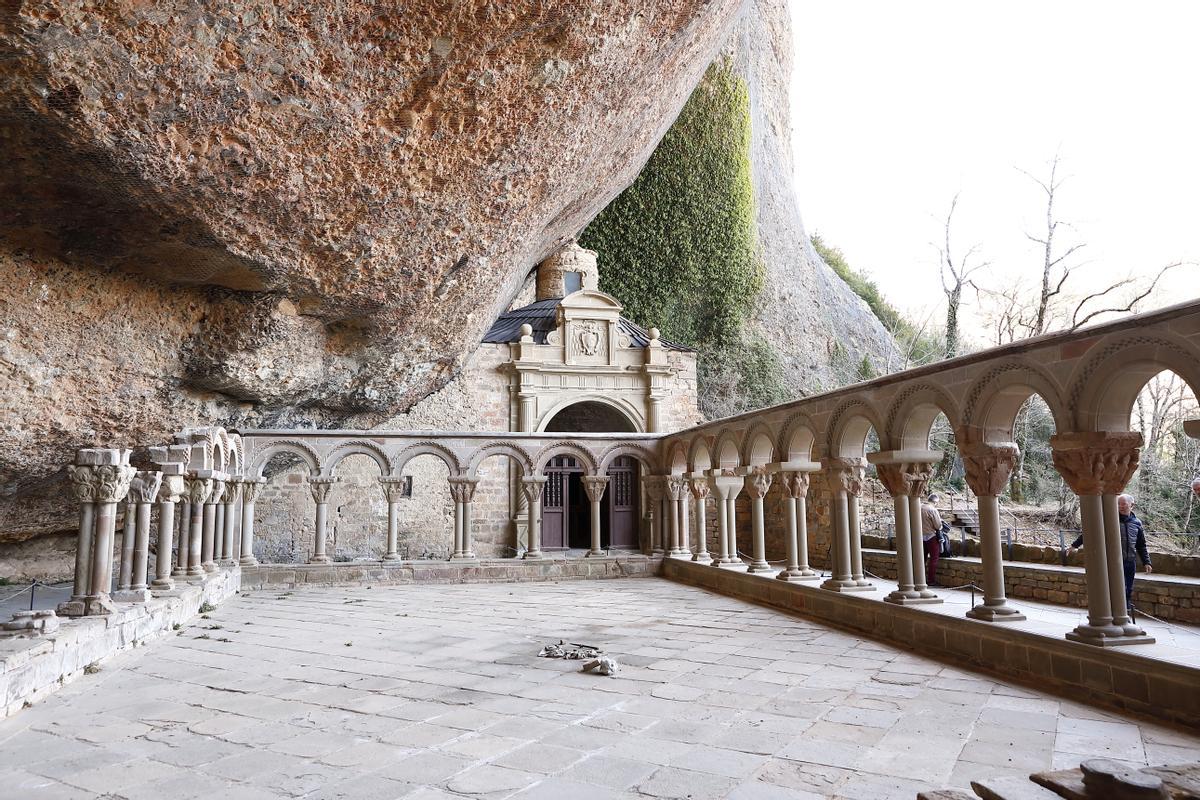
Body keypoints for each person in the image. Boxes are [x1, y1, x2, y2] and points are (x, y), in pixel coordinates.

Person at [1068, 493, 1152, 614]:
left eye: (1123, 504)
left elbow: (1141, 545)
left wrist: (1146, 561)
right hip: (1114, 562)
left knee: (1128, 590)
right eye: (1118, 504)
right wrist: (1074, 545)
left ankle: (1125, 616)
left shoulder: (1137, 523)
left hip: (1130, 562)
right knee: (1116, 590)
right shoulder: (1110, 519)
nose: (1120, 506)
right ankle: (1114, 615)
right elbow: (1089, 531)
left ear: (1131, 505)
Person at [921, 493, 943, 587]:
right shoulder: (932, 510)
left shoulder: (919, 507)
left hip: (920, 536)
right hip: (931, 536)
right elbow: (937, 525)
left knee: (922, 559)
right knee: (934, 558)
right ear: (935, 502)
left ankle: (920, 579)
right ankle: (931, 580)